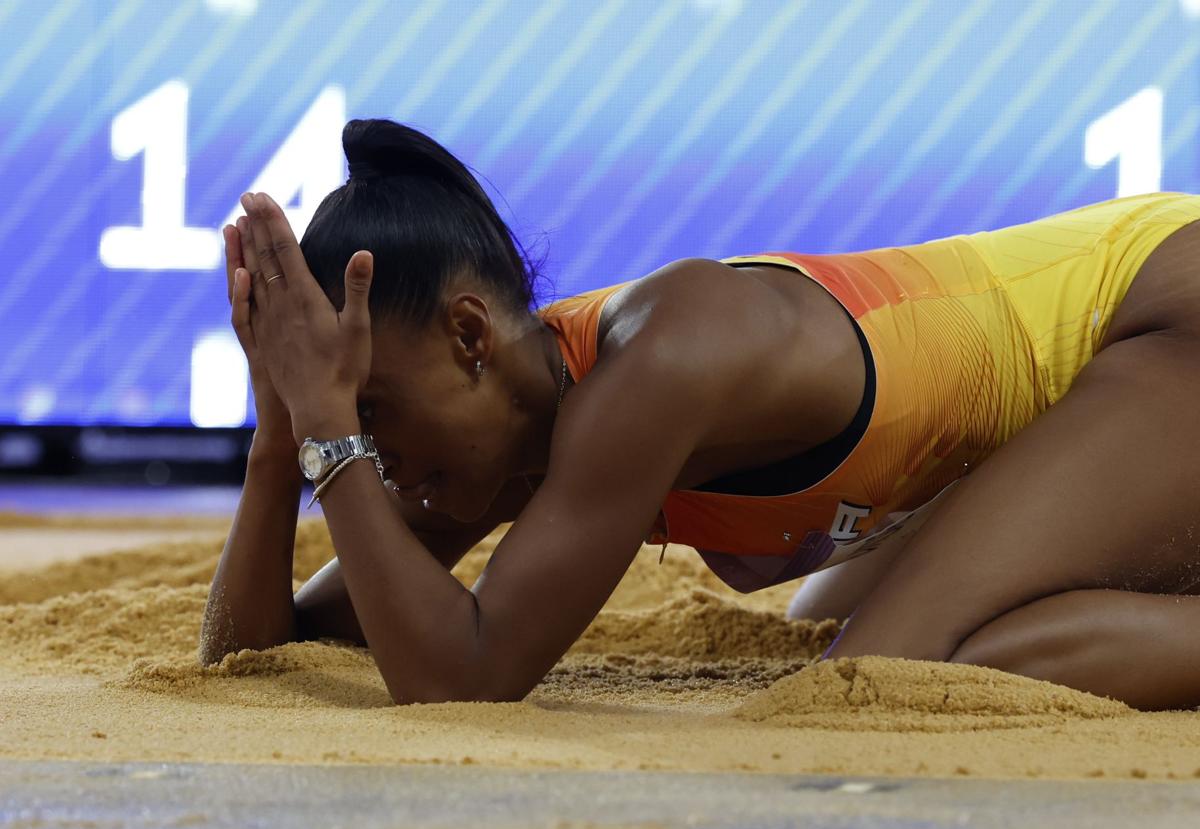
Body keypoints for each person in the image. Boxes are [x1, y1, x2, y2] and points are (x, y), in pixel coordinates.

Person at [200, 118, 1200, 711]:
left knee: (888, 677)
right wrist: (282, 435)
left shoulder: (661, 360)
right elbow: (264, 651)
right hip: (1097, 375)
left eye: (373, 410)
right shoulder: (494, 433)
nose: (370, 456)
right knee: (824, 616)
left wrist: (330, 430)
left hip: (1166, 310)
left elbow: (466, 677)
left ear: (470, 337)